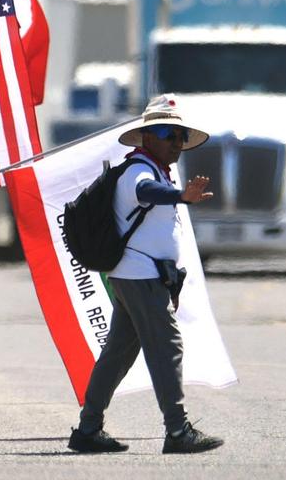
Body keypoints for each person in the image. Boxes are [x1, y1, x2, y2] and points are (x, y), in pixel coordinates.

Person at [68, 94, 224, 455]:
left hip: (136, 276)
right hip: (141, 278)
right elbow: (146, 192)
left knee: (118, 355)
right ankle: (177, 431)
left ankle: (88, 429)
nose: (177, 142)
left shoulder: (153, 169)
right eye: (168, 133)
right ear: (147, 137)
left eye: (180, 135)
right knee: (166, 347)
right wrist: (180, 196)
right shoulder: (139, 171)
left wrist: (177, 193)